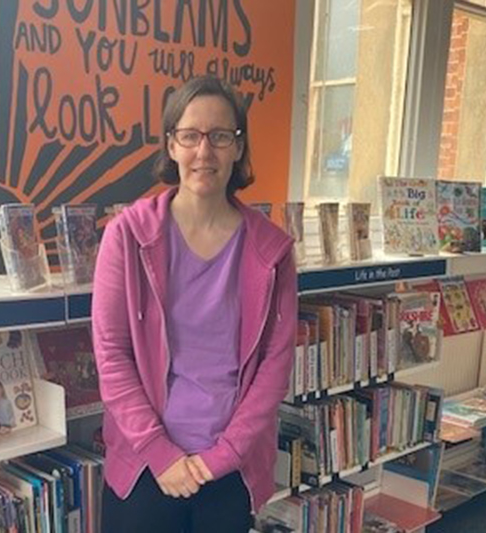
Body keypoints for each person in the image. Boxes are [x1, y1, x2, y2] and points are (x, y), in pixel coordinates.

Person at [92, 75, 297, 533]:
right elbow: (111, 354)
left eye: (220, 136)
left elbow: (274, 366)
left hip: (229, 466)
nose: (204, 152)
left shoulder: (272, 249)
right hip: (145, 464)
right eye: (190, 136)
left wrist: (223, 456)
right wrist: (162, 456)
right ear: (171, 146)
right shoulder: (127, 236)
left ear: (239, 147)